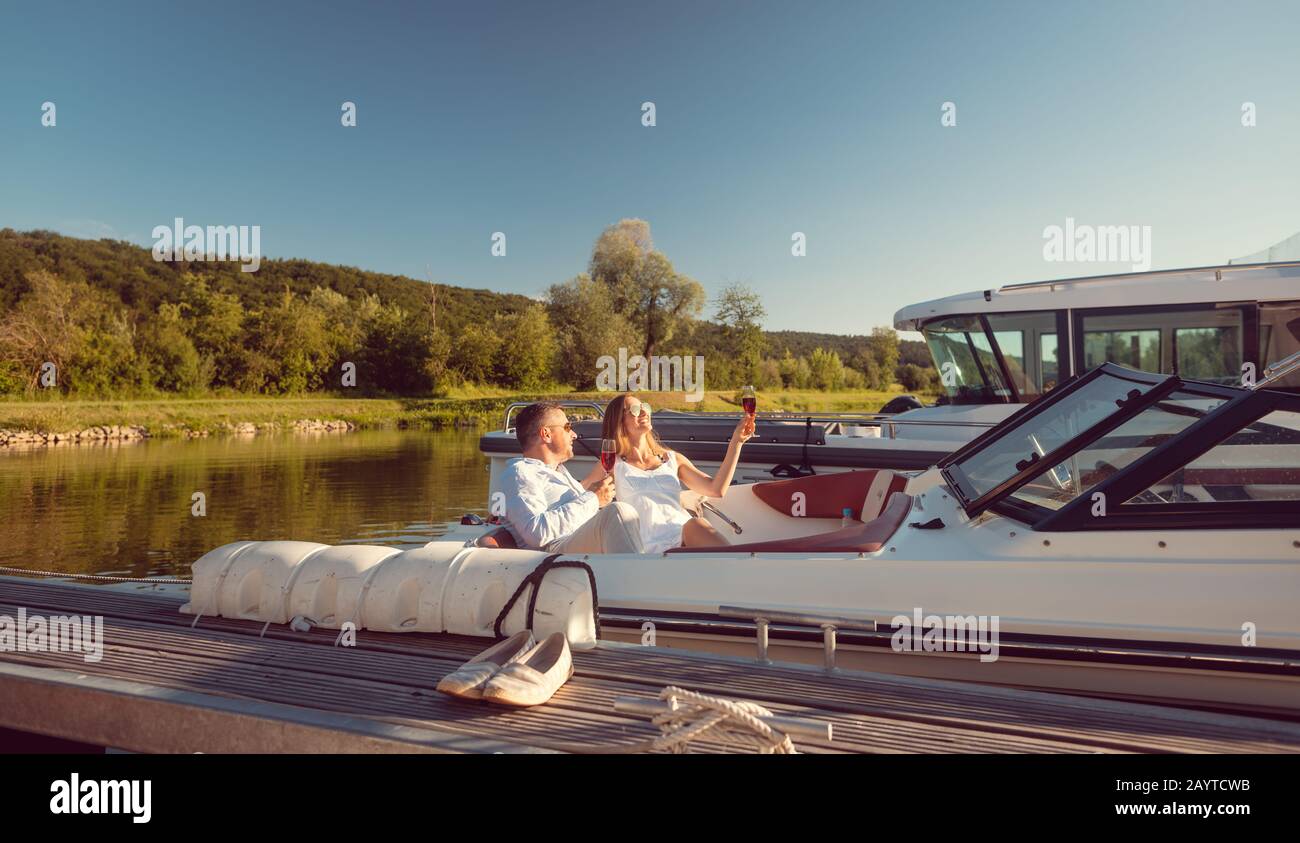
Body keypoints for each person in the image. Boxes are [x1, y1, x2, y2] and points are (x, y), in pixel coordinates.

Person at [601, 393, 754, 553]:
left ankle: (742, 568)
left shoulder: (672, 459)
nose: (644, 412)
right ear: (619, 421)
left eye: (645, 407)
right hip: (646, 546)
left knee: (696, 524)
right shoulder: (611, 463)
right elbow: (587, 494)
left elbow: (716, 489)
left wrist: (736, 442)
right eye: (635, 409)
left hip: (683, 535)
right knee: (698, 526)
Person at [496, 402, 643, 553]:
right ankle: (640, 572)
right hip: (553, 554)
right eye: (567, 427)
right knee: (618, 512)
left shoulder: (559, 472)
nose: (573, 434)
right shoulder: (521, 473)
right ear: (546, 434)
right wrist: (593, 500)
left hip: (577, 546)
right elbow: (536, 533)